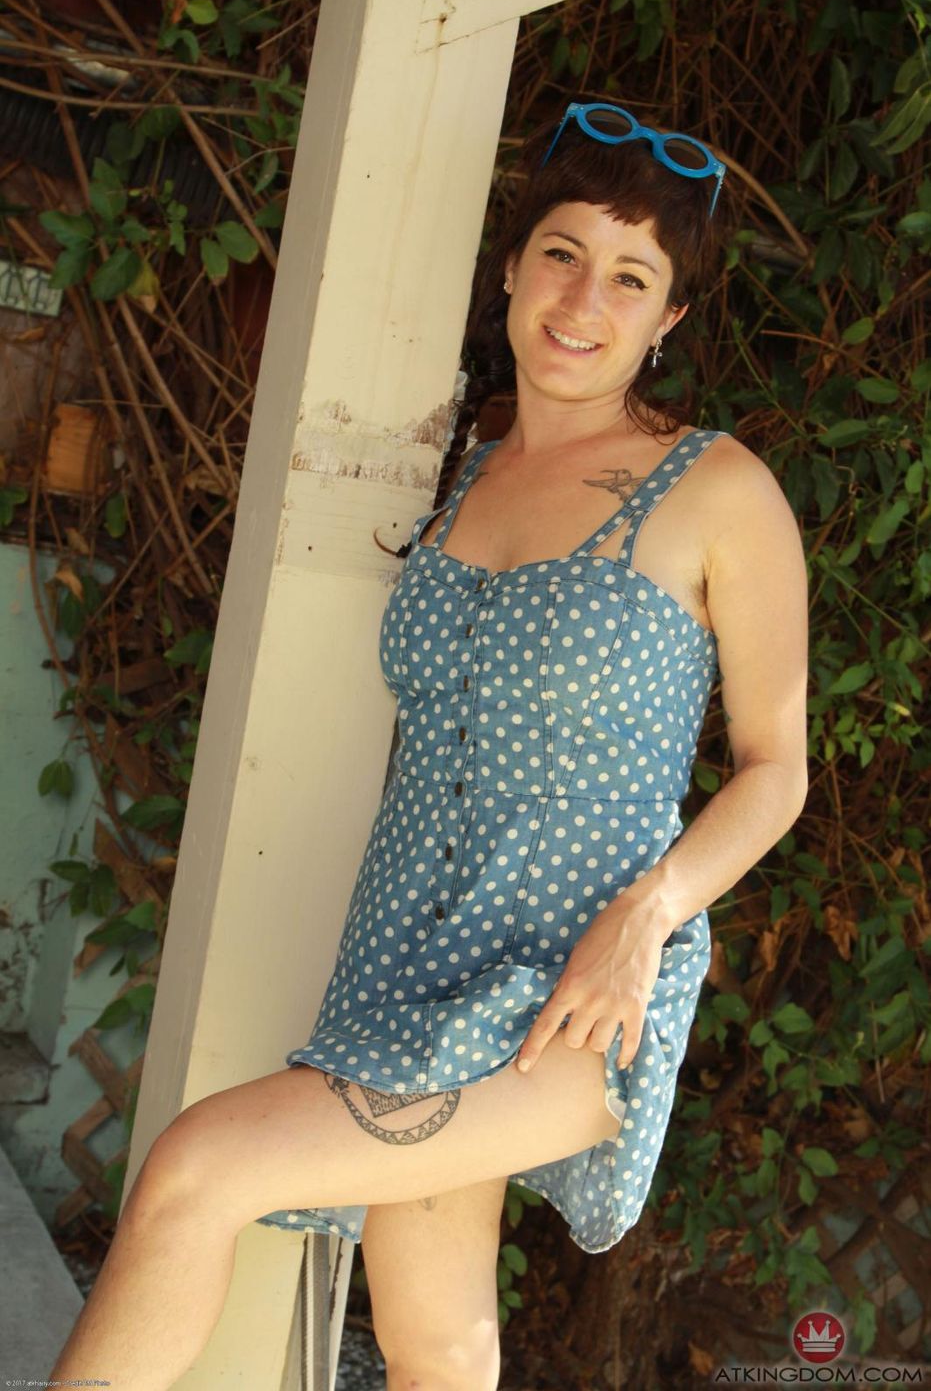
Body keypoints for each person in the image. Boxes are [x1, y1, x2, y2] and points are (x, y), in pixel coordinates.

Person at [49, 102, 809, 1391]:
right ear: (512, 267)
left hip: (562, 996)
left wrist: (648, 916)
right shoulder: (465, 467)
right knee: (438, 1344)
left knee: (194, 1168)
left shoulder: (716, 488)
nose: (584, 299)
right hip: (402, 967)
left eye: (632, 277)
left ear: (669, 318)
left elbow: (775, 768)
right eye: (562, 253)